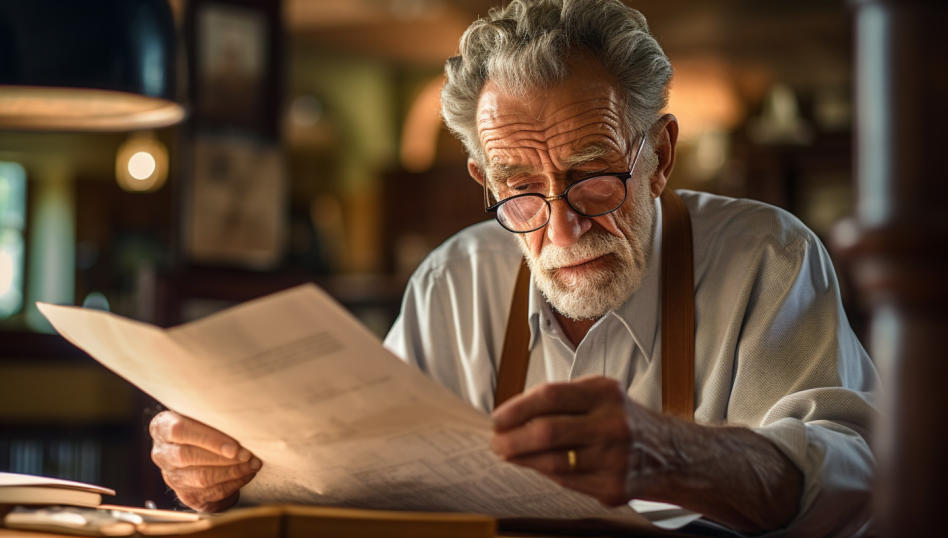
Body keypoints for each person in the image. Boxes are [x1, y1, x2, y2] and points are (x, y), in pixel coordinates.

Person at [150, 0, 878, 534]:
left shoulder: (765, 256)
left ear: (658, 155)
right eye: (521, 190)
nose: (560, 224)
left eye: (594, 177)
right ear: (484, 180)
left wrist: (672, 454)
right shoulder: (453, 282)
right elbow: (363, 476)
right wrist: (233, 468)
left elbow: (853, 478)